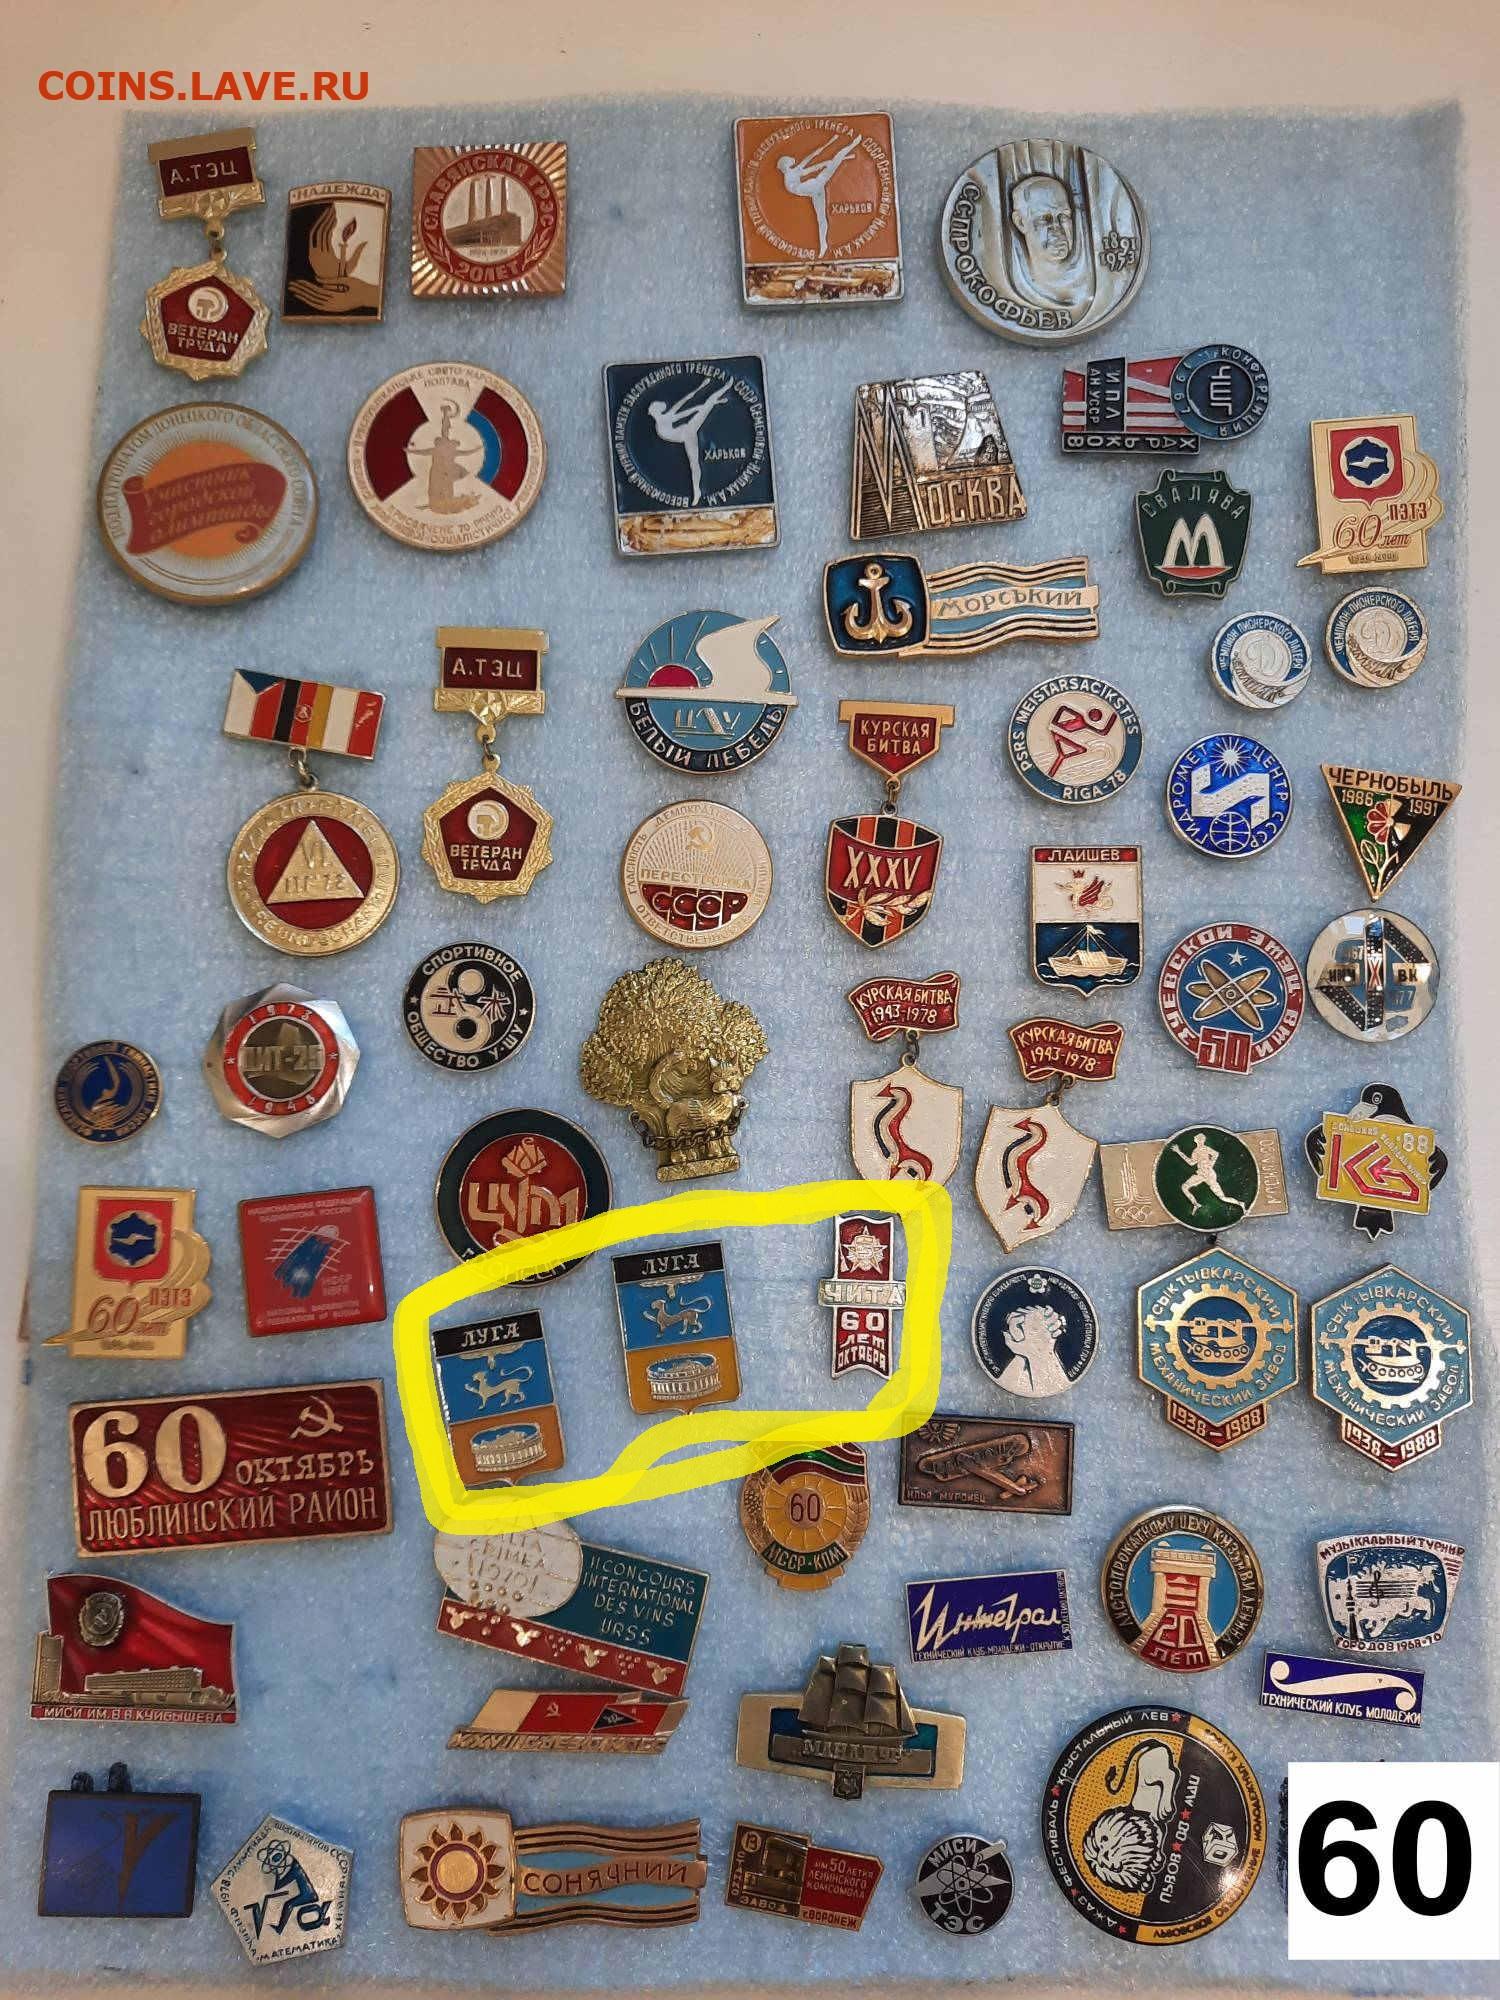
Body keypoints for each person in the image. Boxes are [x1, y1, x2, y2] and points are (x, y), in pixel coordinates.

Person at [647, 377, 734, 506]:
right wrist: (705, 404)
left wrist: (701, 388)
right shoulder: (663, 419)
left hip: (687, 430)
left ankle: (726, 387)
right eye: (659, 407)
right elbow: (684, 410)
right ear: (655, 411)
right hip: (686, 433)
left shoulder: (664, 417)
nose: (662, 408)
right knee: (694, 464)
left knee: (694, 464)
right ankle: (696, 491)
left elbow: (684, 401)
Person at [776, 134, 862, 256]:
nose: (792, 159)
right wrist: (830, 149)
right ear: (785, 164)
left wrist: (829, 145)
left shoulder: (793, 172)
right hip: (810, 186)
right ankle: (852, 145)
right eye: (789, 159)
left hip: (814, 190)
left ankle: (823, 245)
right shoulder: (791, 173)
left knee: (821, 218)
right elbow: (811, 160)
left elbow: (813, 163)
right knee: (832, 165)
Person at [407, 402, 481, 514]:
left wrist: (446, 414)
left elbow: (445, 432)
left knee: (445, 489)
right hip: (438, 472)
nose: (441, 441)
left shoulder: (448, 449)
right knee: (436, 488)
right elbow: (423, 451)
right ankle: (437, 504)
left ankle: (445, 503)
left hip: (445, 472)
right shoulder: (441, 449)